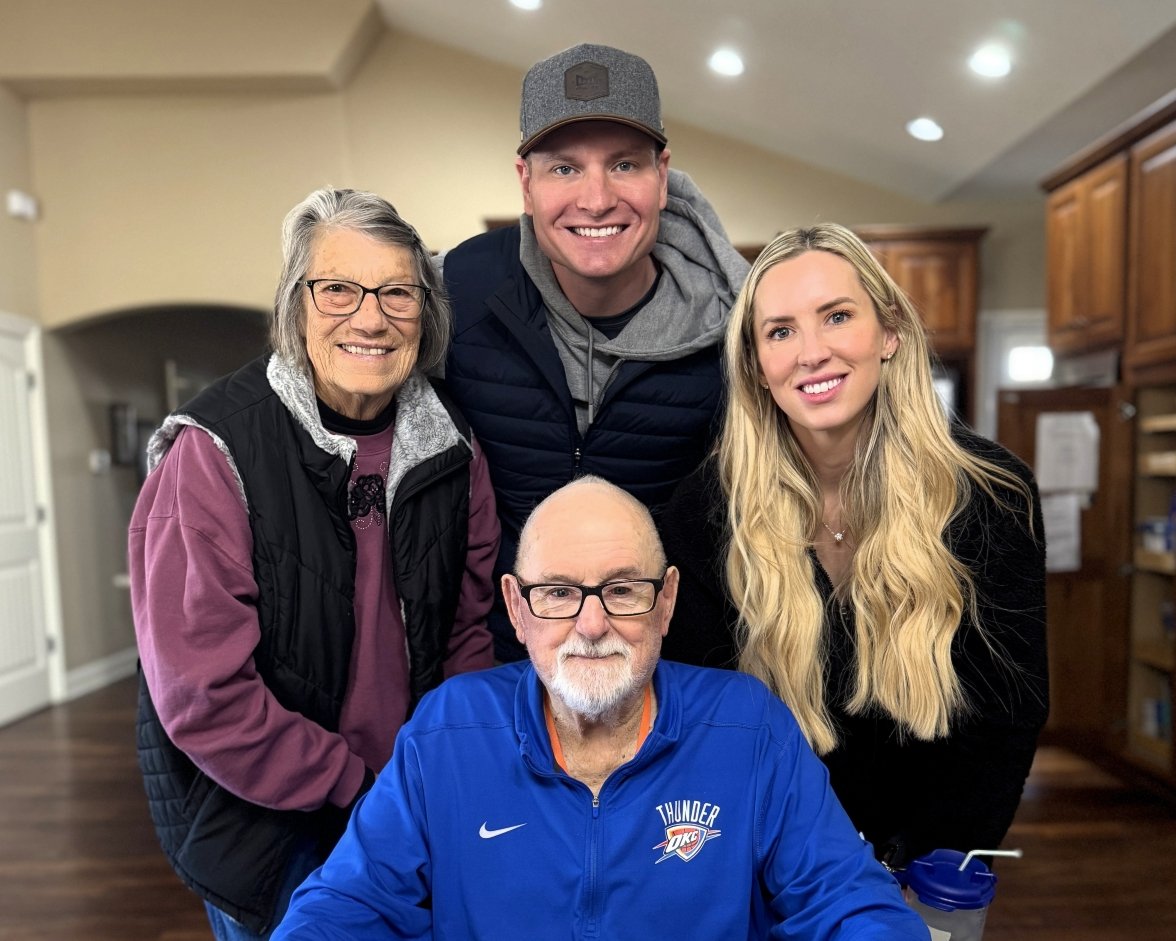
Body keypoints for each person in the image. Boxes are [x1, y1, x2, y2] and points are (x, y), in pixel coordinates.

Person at [271, 476, 928, 940]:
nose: (591, 625)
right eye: (558, 593)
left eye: (622, 589)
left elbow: (849, 901)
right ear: (516, 607)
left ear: (666, 601)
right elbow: (343, 906)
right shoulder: (447, 733)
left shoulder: (747, 727)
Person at [129, 188, 499, 939]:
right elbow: (204, 696)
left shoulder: (454, 448)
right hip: (269, 826)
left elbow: (469, 634)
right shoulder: (213, 453)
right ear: (295, 304)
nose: (370, 318)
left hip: (414, 802)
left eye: (398, 292)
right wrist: (356, 786)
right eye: (338, 289)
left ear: (426, 313)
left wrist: (438, 772)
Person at [661, 223, 1049, 870]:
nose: (811, 352)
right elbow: (705, 725)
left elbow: (1005, 719)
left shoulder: (993, 496)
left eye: (837, 316)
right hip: (766, 861)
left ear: (889, 332)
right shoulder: (704, 512)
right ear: (756, 365)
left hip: (926, 864)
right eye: (780, 331)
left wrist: (926, 871)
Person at [440, 42, 750, 661]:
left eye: (624, 164)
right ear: (525, 183)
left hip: (669, 665)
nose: (596, 198)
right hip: (498, 663)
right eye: (564, 169)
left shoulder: (737, 326)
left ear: (662, 177)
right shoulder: (456, 291)